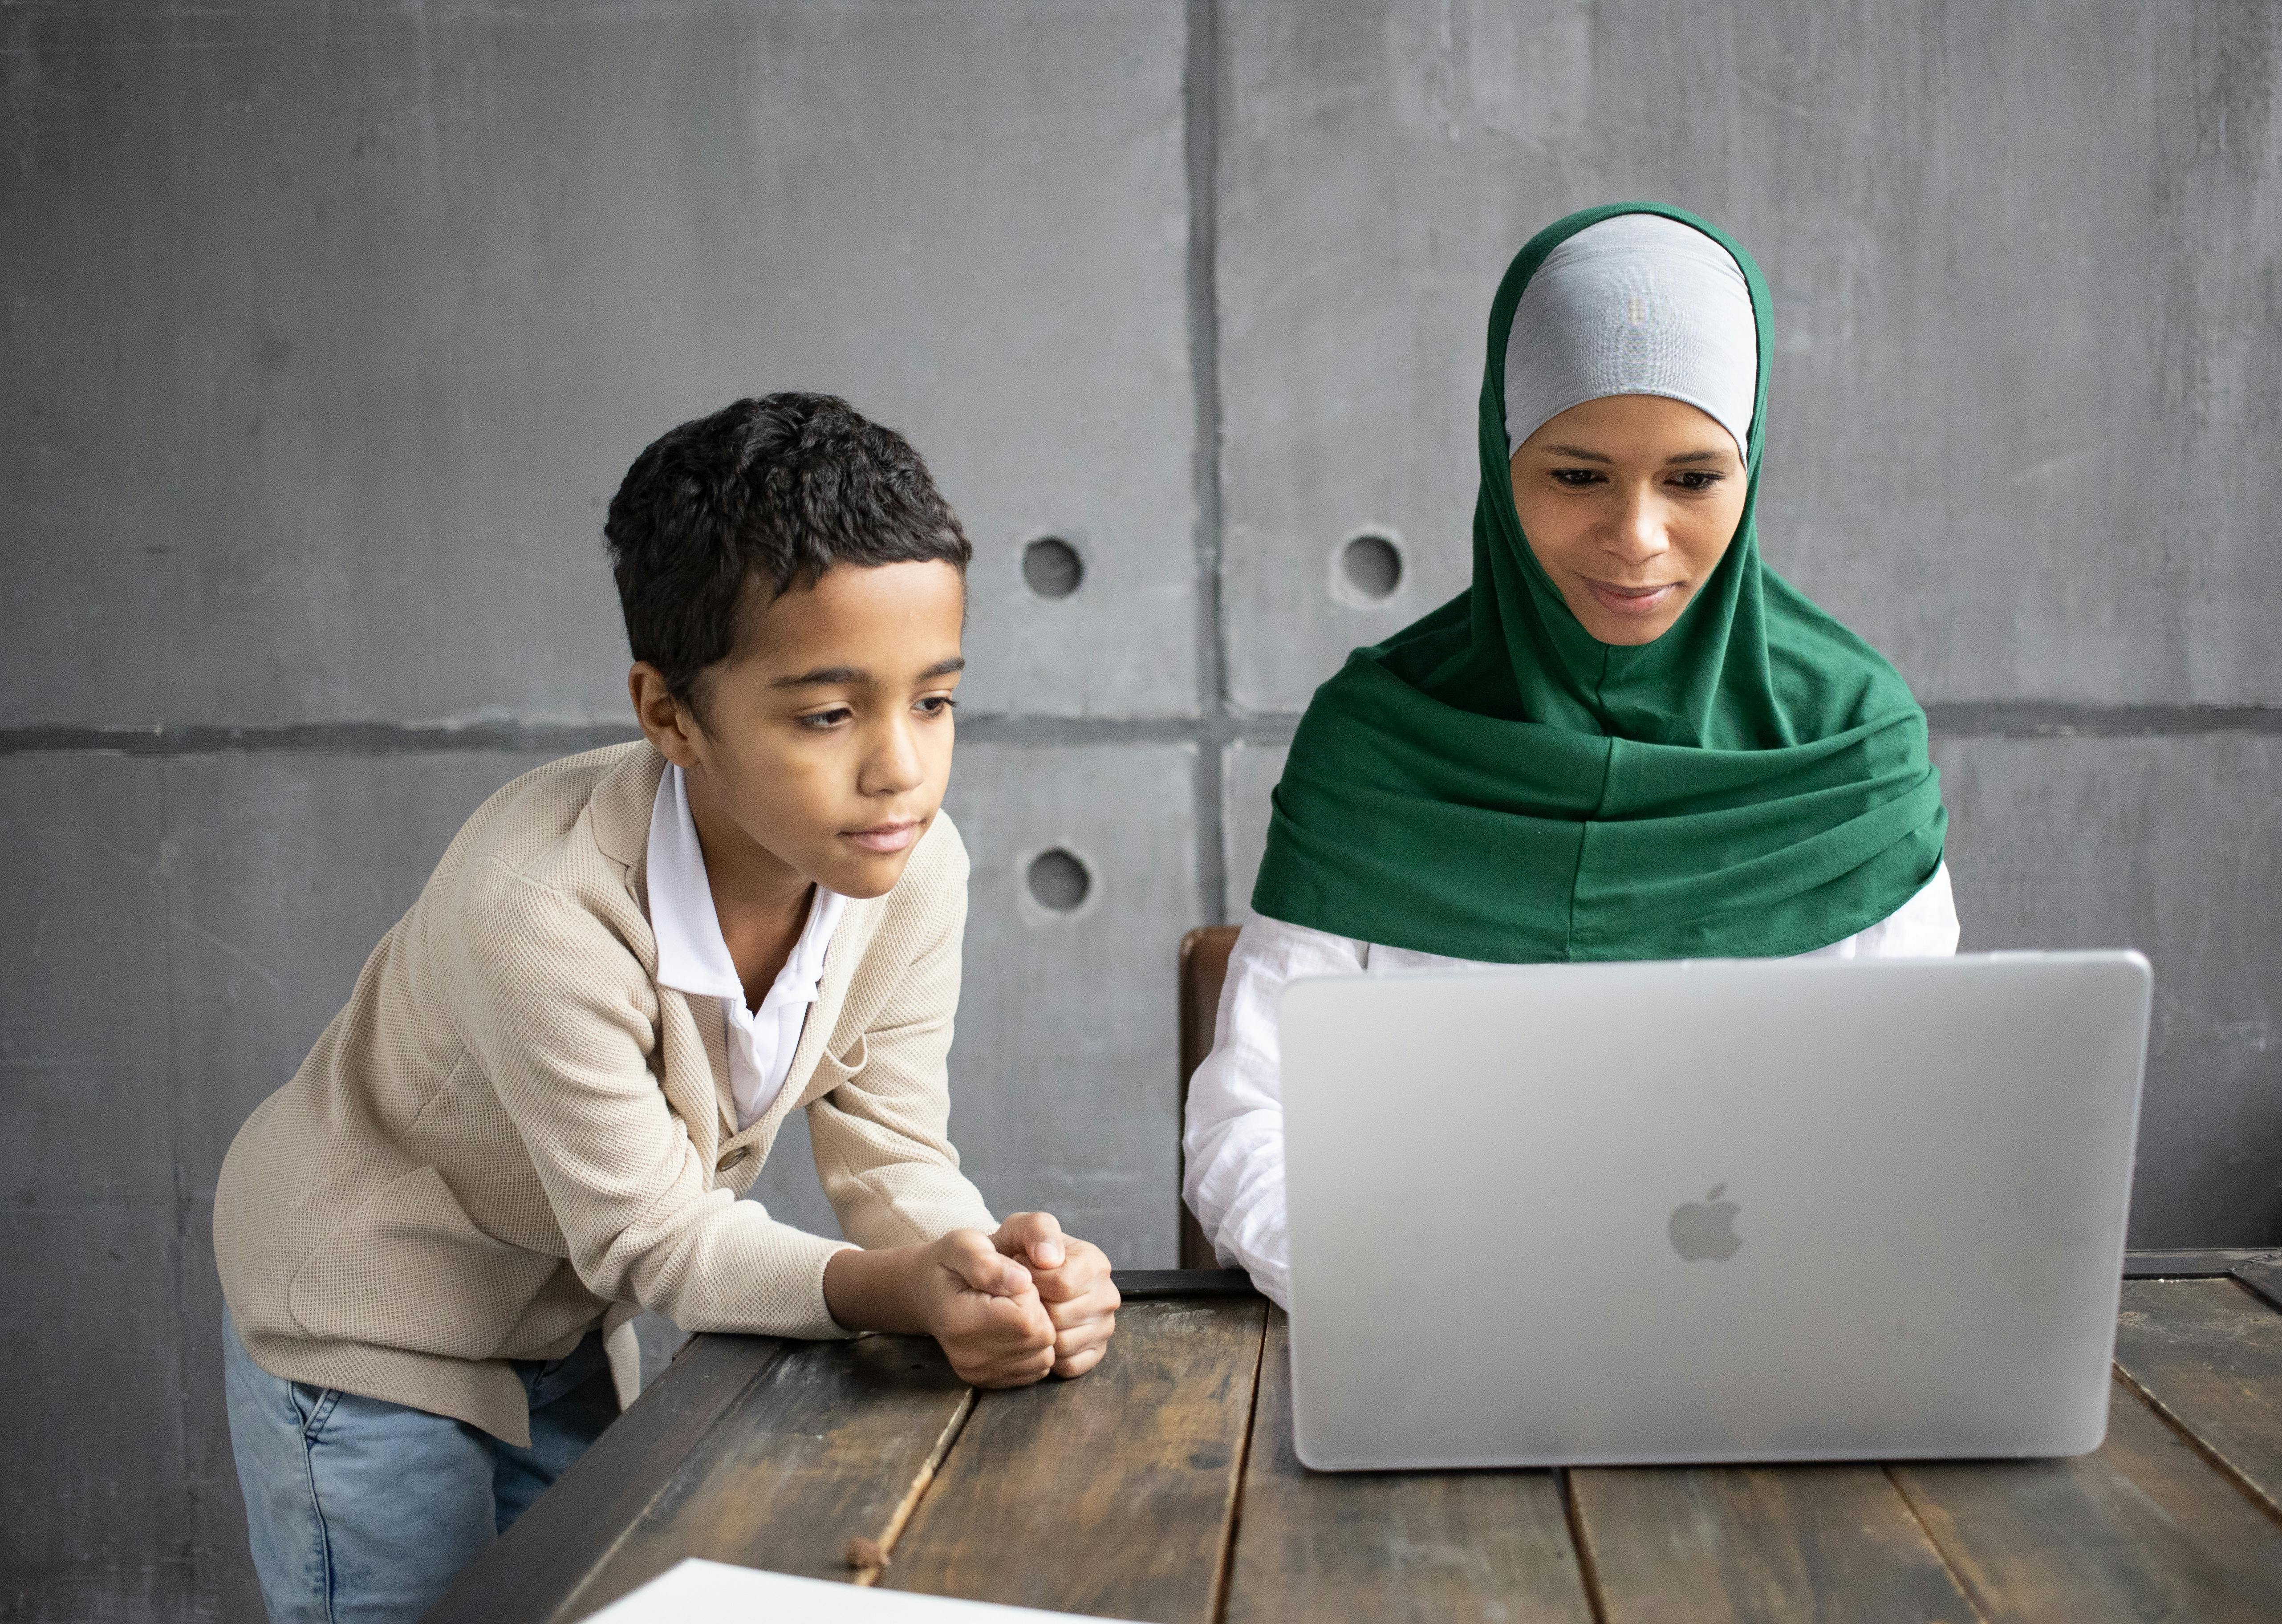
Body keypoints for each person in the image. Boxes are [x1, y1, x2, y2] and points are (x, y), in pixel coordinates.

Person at [214, 393, 1120, 1623]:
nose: (900, 766)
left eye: (934, 700)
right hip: (364, 1324)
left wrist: (990, 1272)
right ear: (668, 714)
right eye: (828, 714)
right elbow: (658, 1239)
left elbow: (896, 1149)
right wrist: (903, 1291)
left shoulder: (911, 867)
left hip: (558, 1314)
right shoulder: (539, 906)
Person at [1185, 205, 1957, 1311]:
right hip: (1432, 1345)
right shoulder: (1381, 735)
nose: (1638, 537)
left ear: (1752, 464)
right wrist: (1407, 1300)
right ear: (1505, 465)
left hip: (1782, 1348)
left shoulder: (1851, 740)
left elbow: (1922, 1126)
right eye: (1579, 476)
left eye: (1693, 479)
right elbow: (1250, 1120)